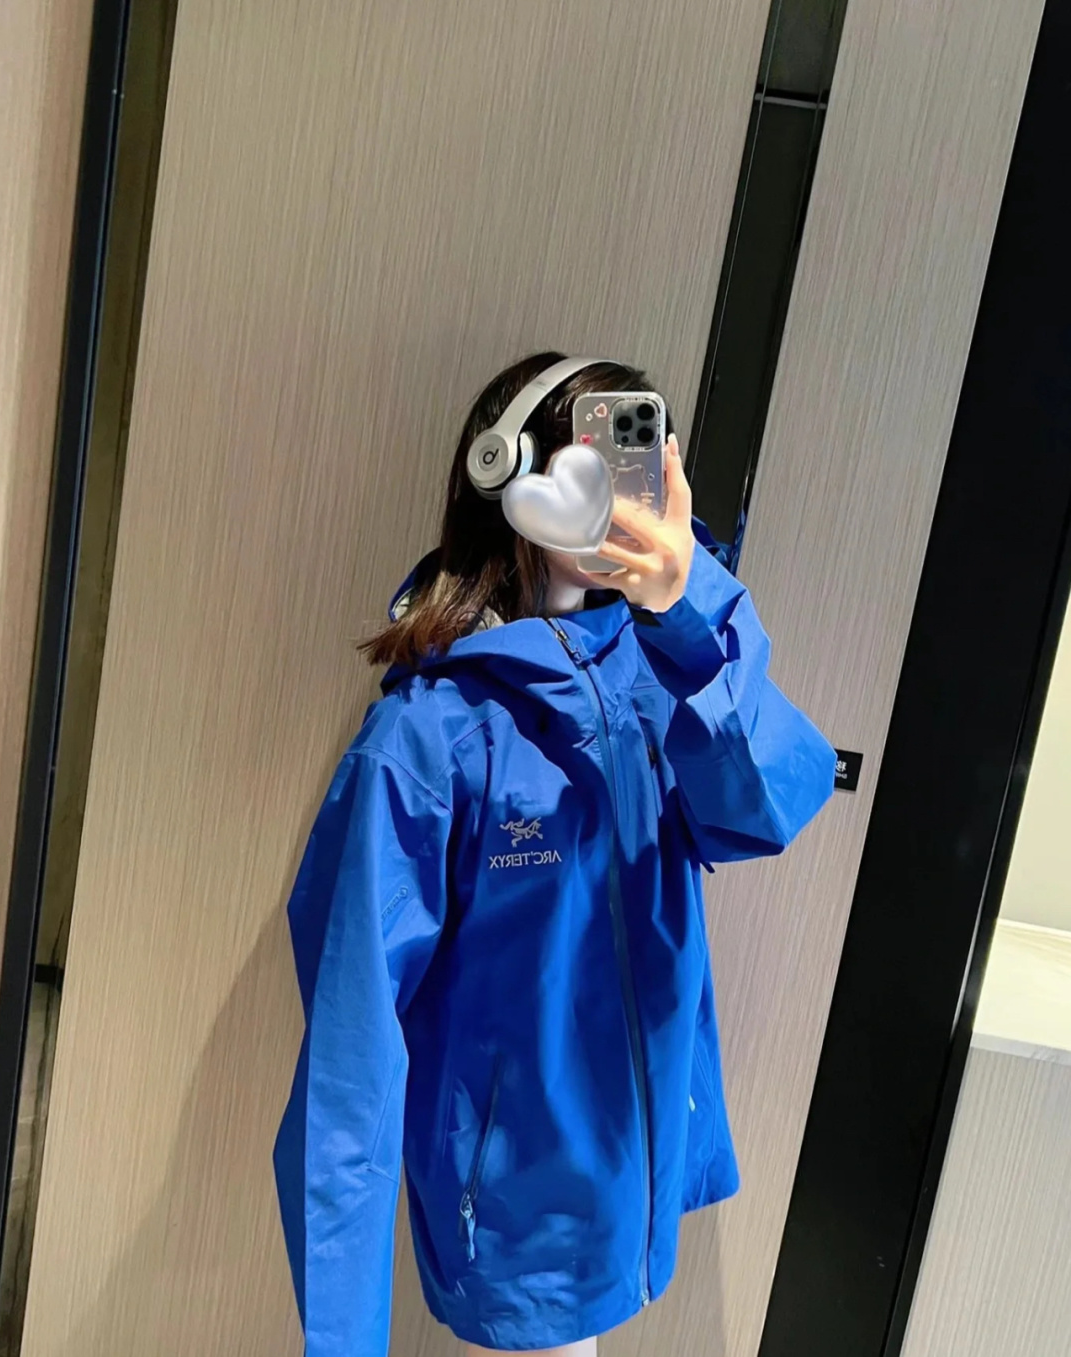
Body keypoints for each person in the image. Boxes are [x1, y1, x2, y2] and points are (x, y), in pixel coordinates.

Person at [273, 353, 836, 1357]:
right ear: (513, 477)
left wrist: (687, 604)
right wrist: (343, 1341)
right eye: (596, 460)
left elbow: (770, 804)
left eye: (642, 460)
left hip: (634, 1186)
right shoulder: (428, 738)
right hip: (520, 1230)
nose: (629, 495)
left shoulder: (659, 677)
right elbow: (348, 1063)